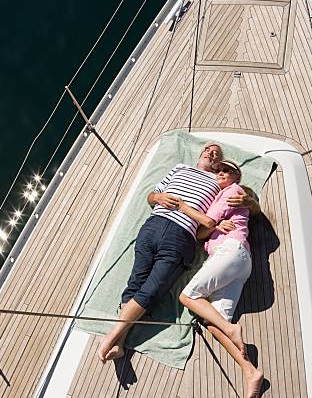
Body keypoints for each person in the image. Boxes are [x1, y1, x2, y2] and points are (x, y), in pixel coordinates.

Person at [97, 143, 258, 362]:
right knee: (135, 282)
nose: (212, 153)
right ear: (200, 153)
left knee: (153, 288)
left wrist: (245, 203)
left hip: (181, 234)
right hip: (152, 225)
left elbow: (246, 204)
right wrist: (158, 198)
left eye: (217, 155)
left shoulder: (219, 184)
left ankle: (111, 338)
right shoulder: (180, 168)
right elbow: (152, 195)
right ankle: (120, 344)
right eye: (208, 150)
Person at [177, 159, 264, 398]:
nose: (221, 173)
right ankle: (251, 372)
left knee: (188, 296)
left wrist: (210, 225)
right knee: (213, 323)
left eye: (227, 170)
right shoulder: (223, 197)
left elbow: (203, 227)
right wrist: (211, 227)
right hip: (239, 263)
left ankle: (233, 330)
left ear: (237, 176)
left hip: (230, 251)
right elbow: (205, 230)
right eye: (219, 171)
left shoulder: (232, 191)